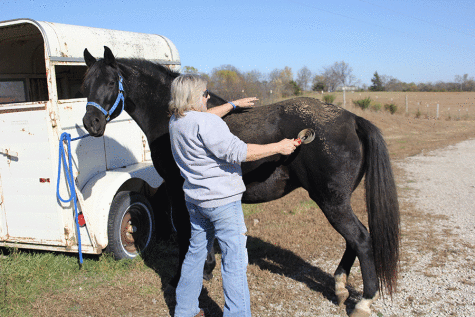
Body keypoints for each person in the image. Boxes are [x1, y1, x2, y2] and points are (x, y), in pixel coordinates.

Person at [169, 74, 300, 317]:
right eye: (205, 94)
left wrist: (232, 105)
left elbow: (203, 119)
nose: (207, 97)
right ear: (194, 98)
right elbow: (239, 152)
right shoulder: (207, 124)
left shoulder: (176, 122)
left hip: (196, 202)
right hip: (222, 204)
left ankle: (184, 311)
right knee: (234, 260)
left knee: (196, 254)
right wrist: (279, 147)